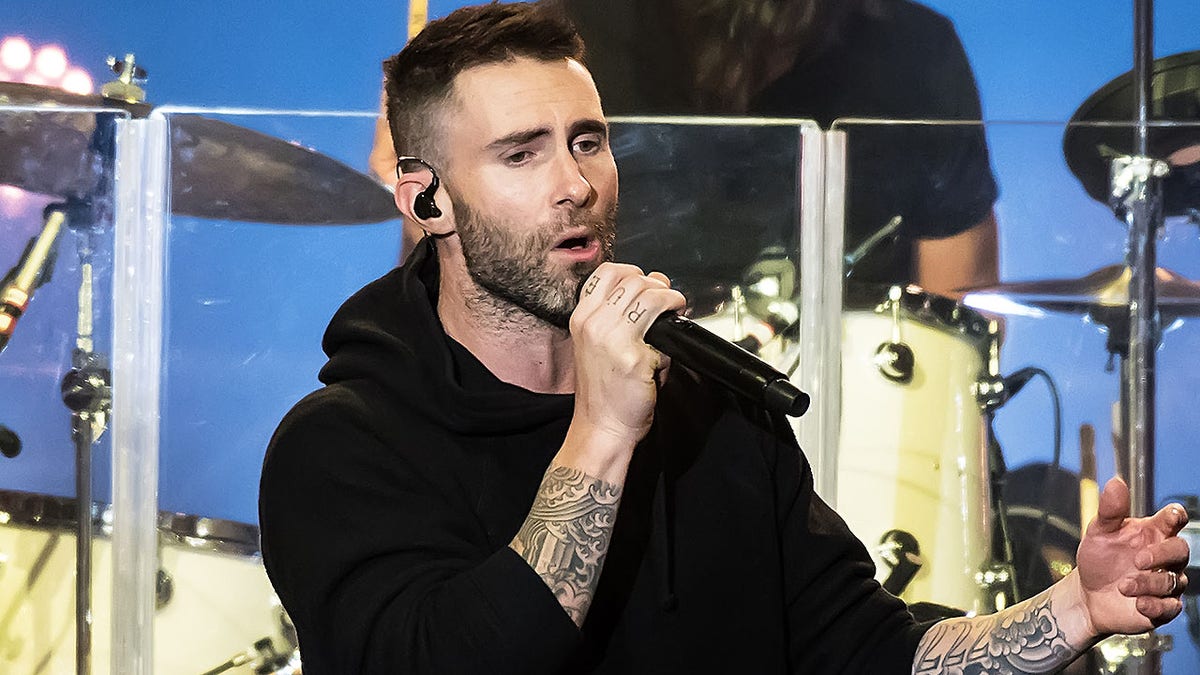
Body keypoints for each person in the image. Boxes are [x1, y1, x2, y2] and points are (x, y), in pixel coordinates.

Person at [260, 4, 1189, 673]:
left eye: (588, 140)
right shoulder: (341, 447)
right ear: (426, 199)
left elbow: (874, 651)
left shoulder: (721, 418)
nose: (575, 183)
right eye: (521, 152)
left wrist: (1073, 607)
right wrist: (603, 431)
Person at [367, 0, 999, 298]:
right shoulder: (570, 41)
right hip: (592, 396)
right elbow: (454, 278)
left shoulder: (911, 50)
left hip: (842, 419)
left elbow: (956, 296)